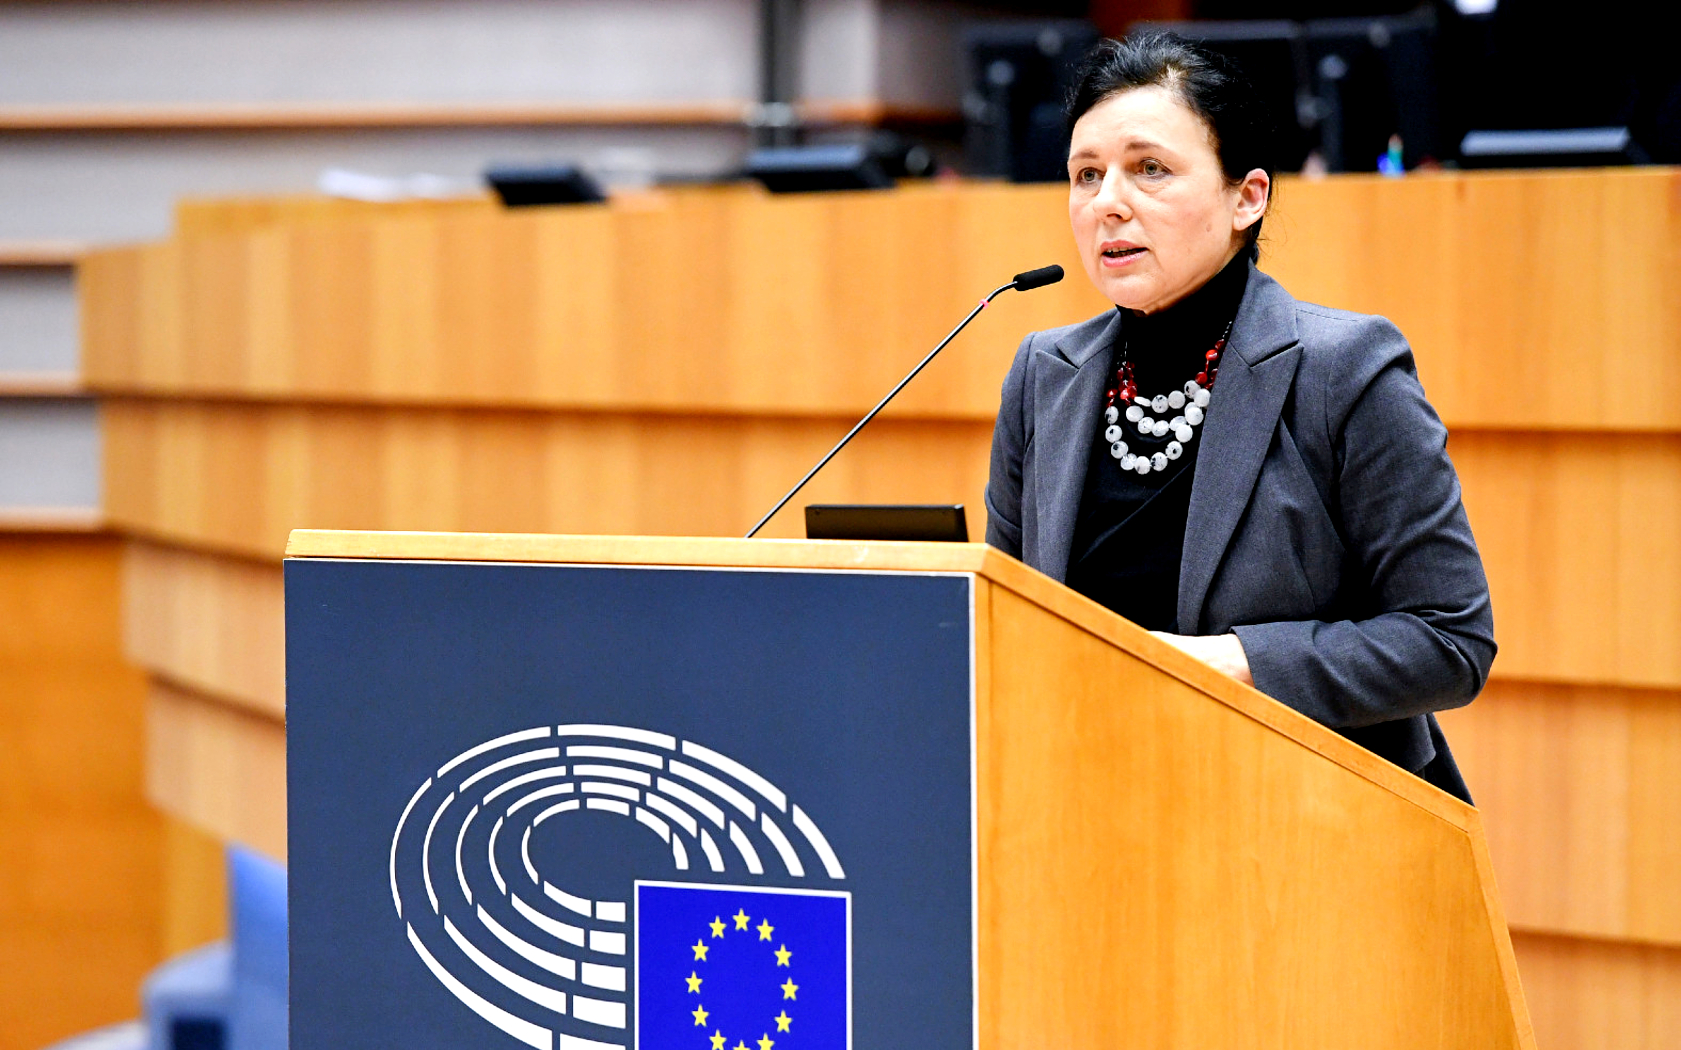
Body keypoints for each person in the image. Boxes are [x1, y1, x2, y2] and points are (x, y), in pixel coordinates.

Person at [983, 33, 1494, 802]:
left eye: (1148, 169)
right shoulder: (1044, 374)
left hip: (1301, 815)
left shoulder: (1344, 369)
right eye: (1086, 174)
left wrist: (1232, 662)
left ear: (1246, 198)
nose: (1106, 202)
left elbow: (1447, 641)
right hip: (1087, 806)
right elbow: (1009, 623)